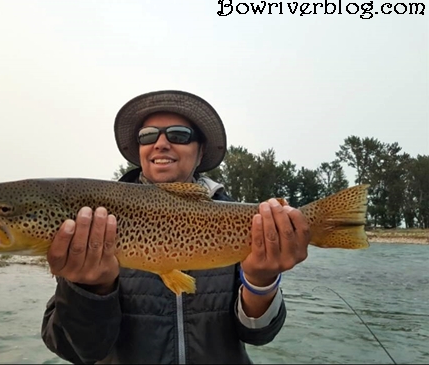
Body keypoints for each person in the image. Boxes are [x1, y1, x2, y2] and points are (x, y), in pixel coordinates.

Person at [41, 90, 310, 364]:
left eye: (179, 135)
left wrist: (261, 283)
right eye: (147, 136)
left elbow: (258, 334)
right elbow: (74, 350)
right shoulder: (97, 220)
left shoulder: (246, 224)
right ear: (140, 150)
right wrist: (91, 290)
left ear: (201, 150)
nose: (160, 143)